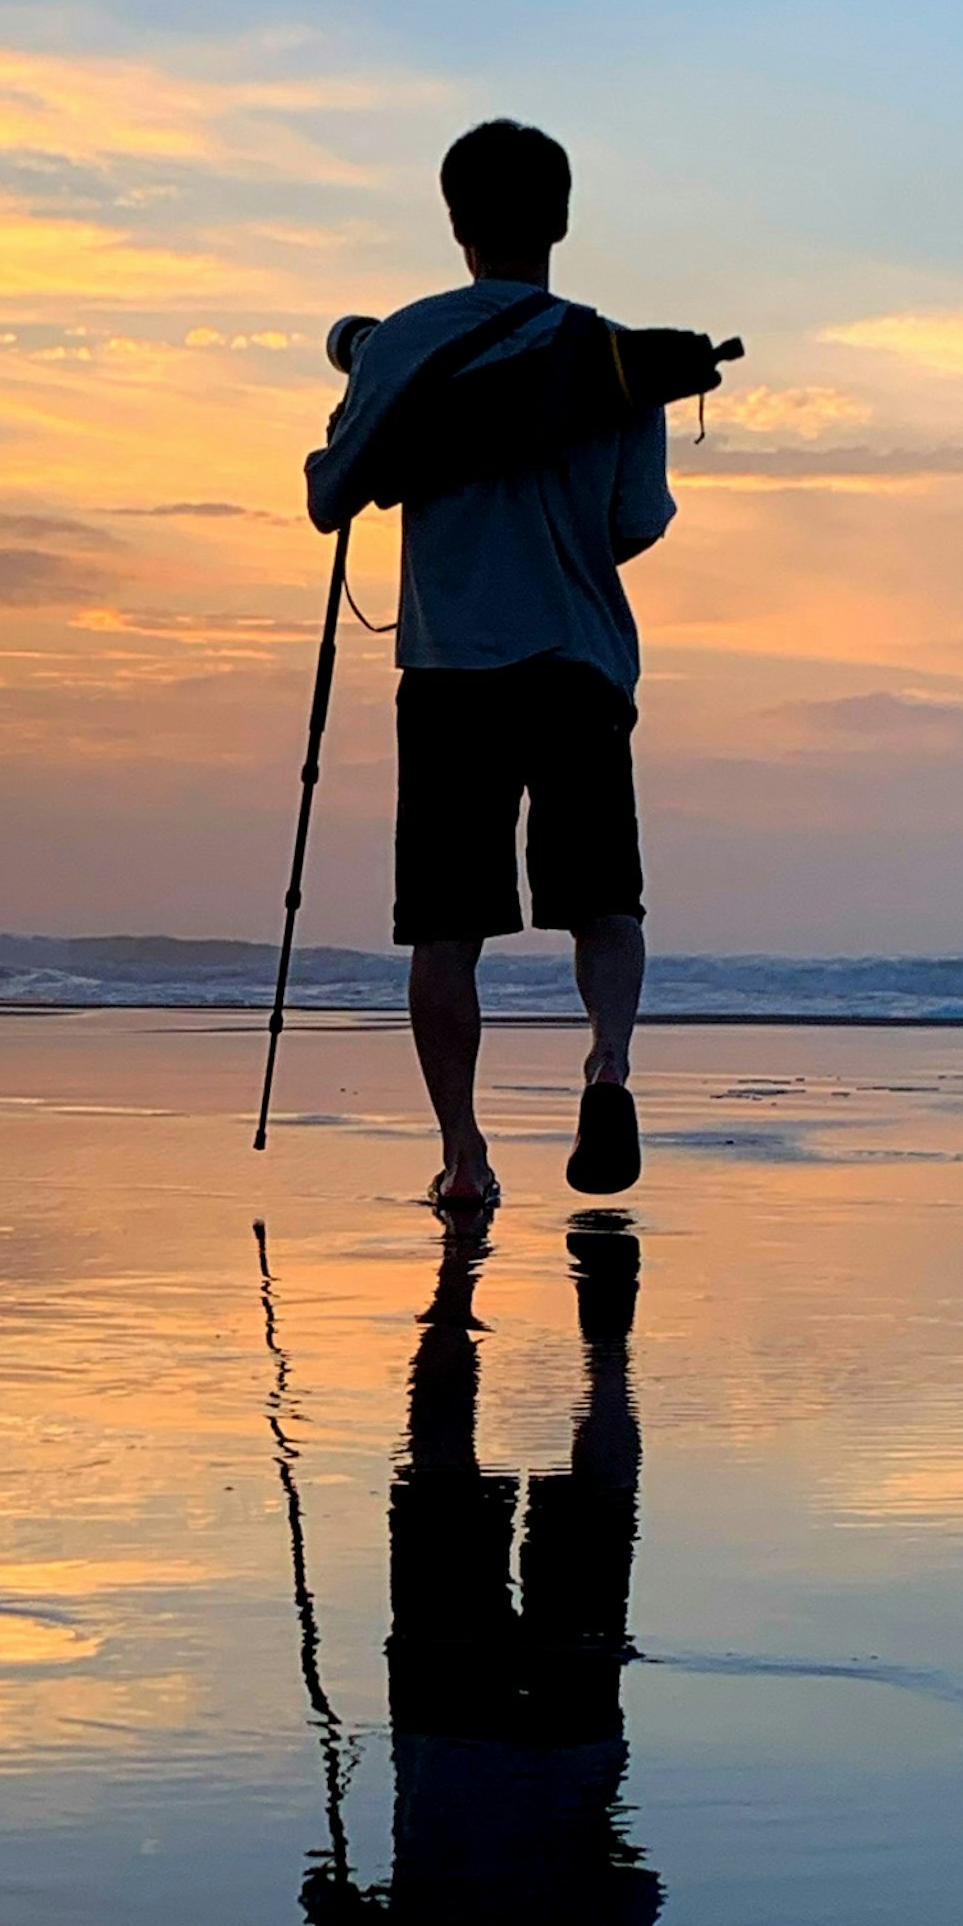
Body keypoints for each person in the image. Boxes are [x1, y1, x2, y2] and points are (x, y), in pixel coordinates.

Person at [304, 116, 733, 1215]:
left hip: (454, 672)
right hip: (583, 664)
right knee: (604, 899)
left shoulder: (402, 344)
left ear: (456, 223)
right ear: (563, 220)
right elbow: (635, 525)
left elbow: (329, 496)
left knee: (447, 928)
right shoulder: (612, 357)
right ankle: (608, 1067)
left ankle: (464, 1153)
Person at [298, 1214, 725, 1926]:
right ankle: (453, 1289)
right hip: (446, 1722)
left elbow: (633, 1888)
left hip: (572, 1738)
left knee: (597, 1511)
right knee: (441, 1478)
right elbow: (328, 1902)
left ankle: (607, 1353)